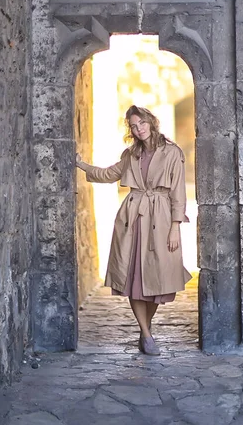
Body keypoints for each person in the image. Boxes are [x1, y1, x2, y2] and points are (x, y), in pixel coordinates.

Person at [76, 105, 192, 355]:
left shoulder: (172, 153)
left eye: (141, 123)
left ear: (151, 122)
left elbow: (179, 193)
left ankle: (144, 328)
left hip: (161, 220)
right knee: (135, 280)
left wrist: (175, 228)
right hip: (133, 220)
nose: (138, 129)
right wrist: (83, 166)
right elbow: (109, 174)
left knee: (159, 280)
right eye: (133, 126)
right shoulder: (130, 155)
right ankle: (147, 334)